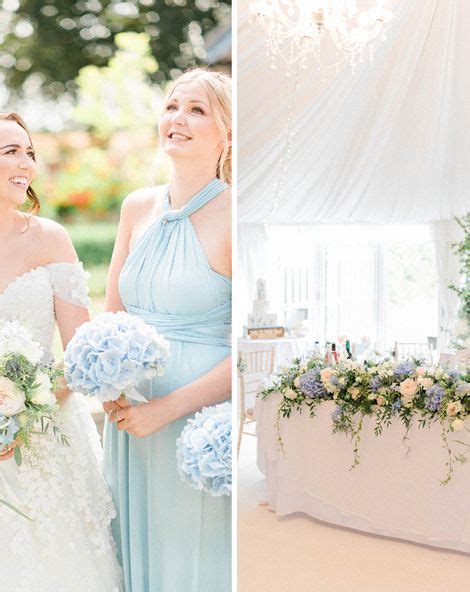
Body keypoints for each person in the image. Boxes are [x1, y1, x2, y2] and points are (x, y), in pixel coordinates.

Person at [103, 68, 232, 592]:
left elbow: (243, 348)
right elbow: (111, 314)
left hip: (191, 420)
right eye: (172, 106)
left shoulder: (234, 215)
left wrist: (164, 410)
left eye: (197, 109)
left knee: (188, 555)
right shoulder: (136, 207)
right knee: (125, 549)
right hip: (128, 416)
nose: (177, 118)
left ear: (227, 133)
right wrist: (109, 391)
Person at [0, 112, 123, 592]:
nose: (26, 163)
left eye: (29, 151)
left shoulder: (50, 239)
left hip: (45, 437)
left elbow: (81, 355)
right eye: (10, 151)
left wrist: (22, 411)